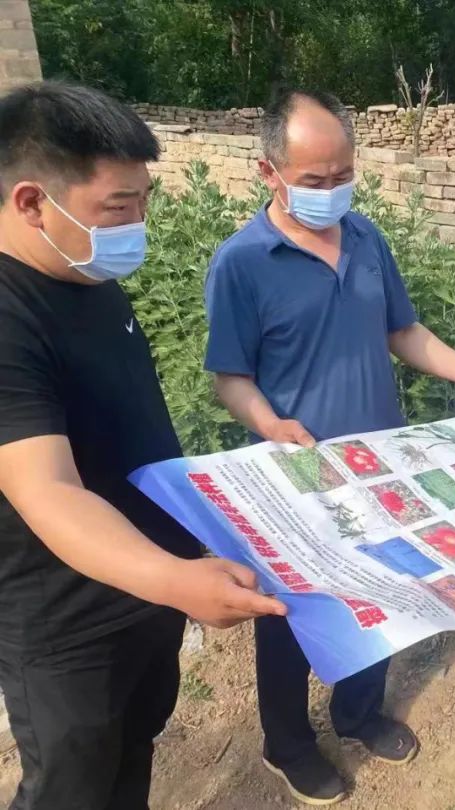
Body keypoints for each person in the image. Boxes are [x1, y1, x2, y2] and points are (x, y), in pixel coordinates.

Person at [204, 88, 455, 806]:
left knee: (380, 590)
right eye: (315, 179)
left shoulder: (366, 237)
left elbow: (402, 331)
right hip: (296, 473)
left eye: (344, 174)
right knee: (289, 614)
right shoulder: (242, 262)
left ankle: (359, 713)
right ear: (268, 172)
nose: (333, 190)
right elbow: (230, 378)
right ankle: (287, 743)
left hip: (378, 467)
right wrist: (270, 423)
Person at [0, 82, 284, 810]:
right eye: (118, 208)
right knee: (72, 786)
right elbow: (47, 488)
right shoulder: (9, 314)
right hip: (69, 624)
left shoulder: (85, 275)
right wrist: (176, 581)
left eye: (144, 201)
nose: (138, 224)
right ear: (31, 202)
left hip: (147, 590)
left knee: (133, 751)